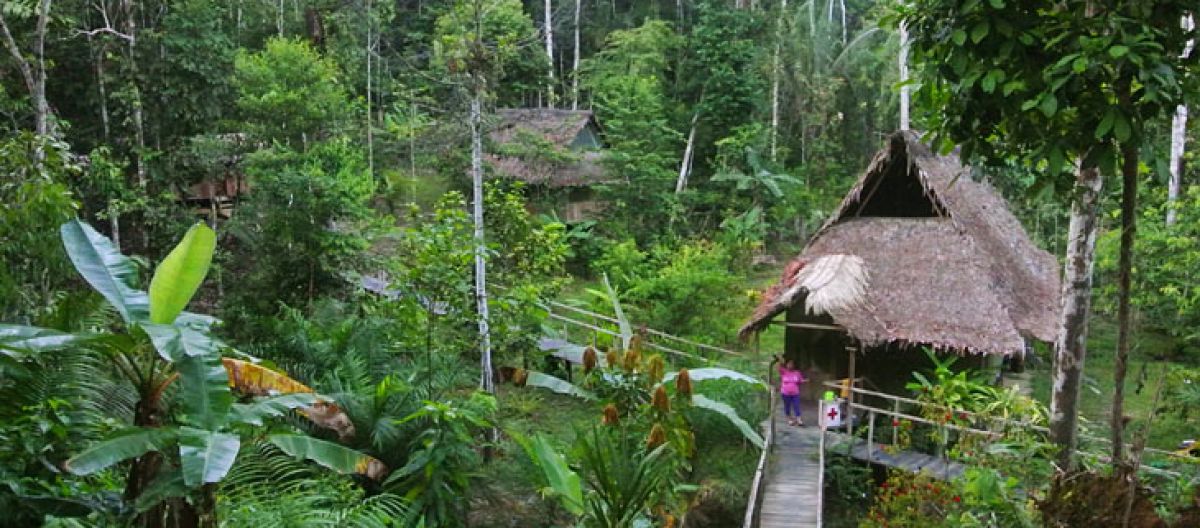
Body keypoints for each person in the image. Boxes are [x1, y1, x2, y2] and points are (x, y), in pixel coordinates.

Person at [774, 355, 807, 426]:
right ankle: (789, 419)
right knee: (787, 406)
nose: (790, 365)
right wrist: (779, 360)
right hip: (785, 393)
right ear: (786, 364)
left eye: (792, 364)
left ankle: (799, 419)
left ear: (794, 365)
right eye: (789, 363)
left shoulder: (797, 373)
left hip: (795, 393)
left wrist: (805, 381)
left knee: (796, 406)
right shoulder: (783, 371)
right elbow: (777, 367)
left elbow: (800, 381)